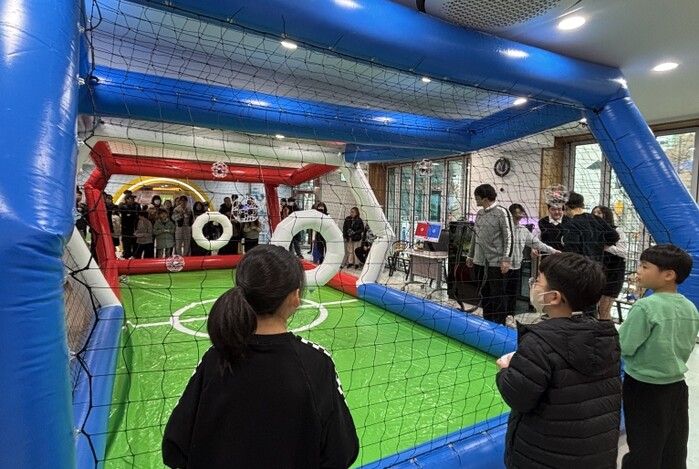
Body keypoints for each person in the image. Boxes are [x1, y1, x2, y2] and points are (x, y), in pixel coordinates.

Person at [162, 245, 359, 468]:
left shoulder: (216, 357)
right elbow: (341, 452)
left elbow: (175, 447)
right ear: (295, 297)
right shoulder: (316, 364)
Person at [495, 252, 621, 469]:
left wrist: (506, 370)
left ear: (553, 297)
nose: (533, 285)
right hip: (596, 454)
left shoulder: (538, 342)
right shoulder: (605, 336)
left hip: (543, 456)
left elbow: (518, 397)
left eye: (538, 282)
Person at [619, 245, 699, 469]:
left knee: (644, 444)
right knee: (674, 444)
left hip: (643, 387)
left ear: (668, 274)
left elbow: (624, 346)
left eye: (645, 267)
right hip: (676, 386)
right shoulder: (690, 308)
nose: (638, 271)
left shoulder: (645, 307)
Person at [466, 184, 514, 325]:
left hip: (496, 262)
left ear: (485, 199)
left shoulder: (502, 212)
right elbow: (475, 236)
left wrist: (506, 259)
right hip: (480, 261)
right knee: (484, 292)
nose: (475, 200)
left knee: (497, 294)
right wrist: (470, 255)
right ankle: (487, 322)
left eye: (477, 198)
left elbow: (509, 237)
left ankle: (499, 324)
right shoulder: (480, 214)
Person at [505, 204, 558, 317]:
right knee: (501, 295)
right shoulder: (504, 229)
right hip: (502, 267)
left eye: (521, 214)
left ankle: (509, 317)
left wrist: (553, 251)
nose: (519, 216)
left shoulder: (523, 230)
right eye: (516, 214)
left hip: (516, 267)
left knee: (512, 295)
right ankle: (498, 319)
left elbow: (537, 244)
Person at [561, 191, 619, 263]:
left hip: (580, 265)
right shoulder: (597, 219)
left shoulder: (571, 224)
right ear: (582, 205)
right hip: (597, 265)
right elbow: (614, 236)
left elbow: (572, 251)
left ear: (566, 207)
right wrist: (600, 244)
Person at [592, 205, 627, 320]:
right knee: (595, 311)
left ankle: (607, 330)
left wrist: (605, 247)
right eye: (594, 213)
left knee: (604, 310)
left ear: (606, 215)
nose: (596, 215)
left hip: (613, 273)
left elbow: (622, 252)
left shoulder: (617, 231)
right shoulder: (591, 231)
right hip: (597, 273)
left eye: (599, 213)